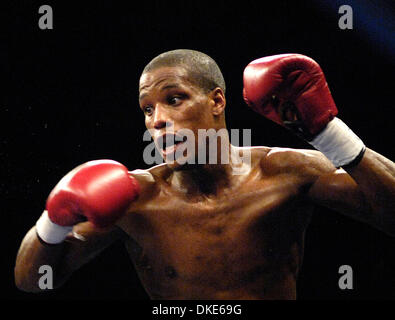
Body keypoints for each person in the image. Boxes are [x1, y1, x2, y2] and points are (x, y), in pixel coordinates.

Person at [14, 49, 395, 300]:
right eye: (147, 110)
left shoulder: (284, 171)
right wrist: (53, 220)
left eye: (173, 99)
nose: (158, 119)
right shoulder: (136, 199)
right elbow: (32, 280)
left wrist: (328, 133)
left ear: (216, 101)